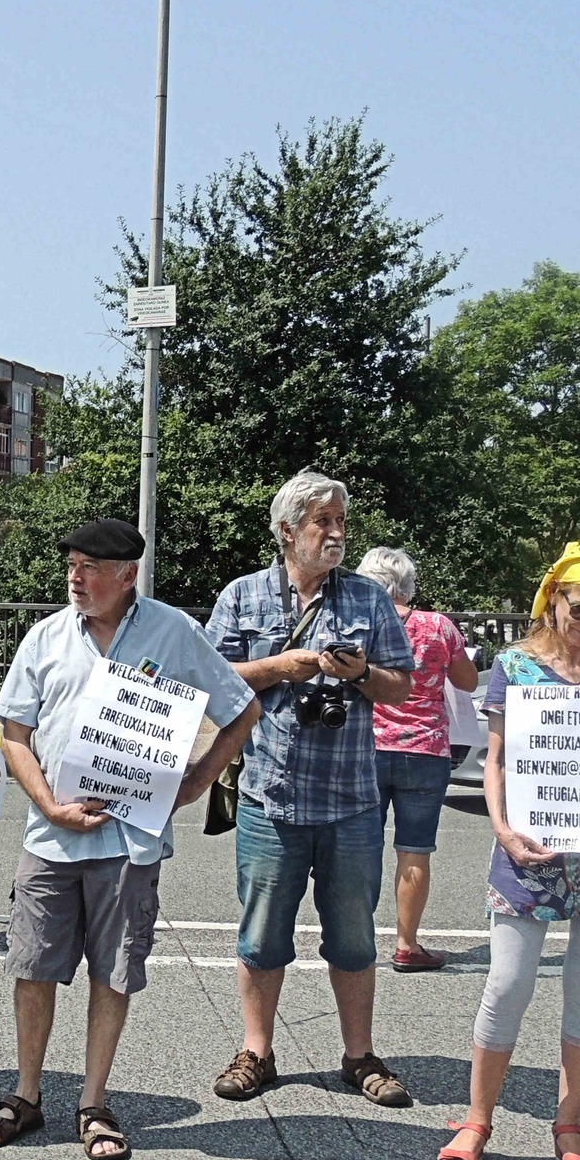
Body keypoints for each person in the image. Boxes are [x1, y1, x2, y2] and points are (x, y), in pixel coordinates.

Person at [0, 519, 258, 1160]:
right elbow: (13, 733)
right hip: (50, 839)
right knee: (32, 968)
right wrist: (48, 803)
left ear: (127, 575)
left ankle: (94, 1103)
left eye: (90, 567)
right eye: (71, 564)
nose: (75, 577)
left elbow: (242, 707)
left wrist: (197, 778)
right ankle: (26, 1094)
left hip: (129, 843)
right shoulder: (46, 637)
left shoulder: (174, 633)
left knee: (115, 973)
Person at [438, 542, 580, 1160]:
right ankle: (478, 1118)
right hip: (528, 846)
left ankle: (569, 1123)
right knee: (507, 985)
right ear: (554, 599)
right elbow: (499, 760)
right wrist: (502, 830)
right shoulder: (514, 666)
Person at [203, 470, 416, 1108]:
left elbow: (401, 686)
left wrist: (361, 674)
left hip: (351, 800)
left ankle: (359, 1056)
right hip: (271, 798)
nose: (336, 533)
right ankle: (257, 1052)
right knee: (262, 935)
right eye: (322, 521)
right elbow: (211, 680)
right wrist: (280, 667)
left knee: (353, 937)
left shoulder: (369, 599)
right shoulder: (242, 597)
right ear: (287, 530)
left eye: (341, 521)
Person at [352, 547, 478, 973]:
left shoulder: (359, 623)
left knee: (360, 848)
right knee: (415, 851)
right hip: (424, 750)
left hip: (364, 748)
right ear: (408, 583)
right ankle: (407, 944)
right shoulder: (437, 626)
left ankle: (355, 941)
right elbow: (467, 680)